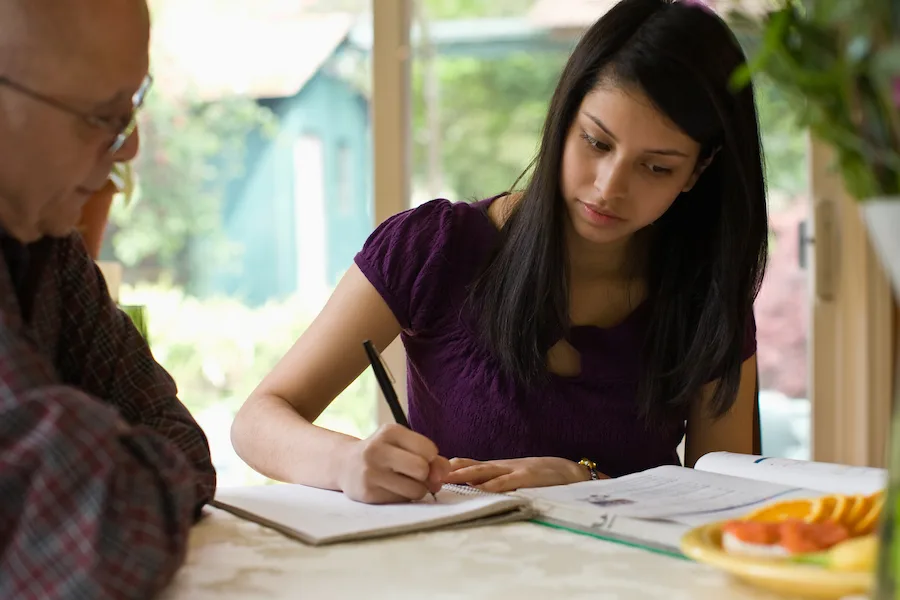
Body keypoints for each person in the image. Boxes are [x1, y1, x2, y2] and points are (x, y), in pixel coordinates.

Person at [231, 0, 767, 505]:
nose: (608, 186)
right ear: (565, 117)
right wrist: (347, 463)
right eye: (597, 143)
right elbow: (257, 421)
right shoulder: (435, 247)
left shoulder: (707, 296)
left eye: (656, 167)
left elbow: (728, 501)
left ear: (698, 171)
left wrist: (589, 482)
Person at [0, 0, 216, 597]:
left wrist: (104, 463)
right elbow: (109, 539)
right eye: (103, 116)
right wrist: (107, 465)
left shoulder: (48, 247)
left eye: (132, 111)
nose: (128, 150)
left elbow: (182, 441)